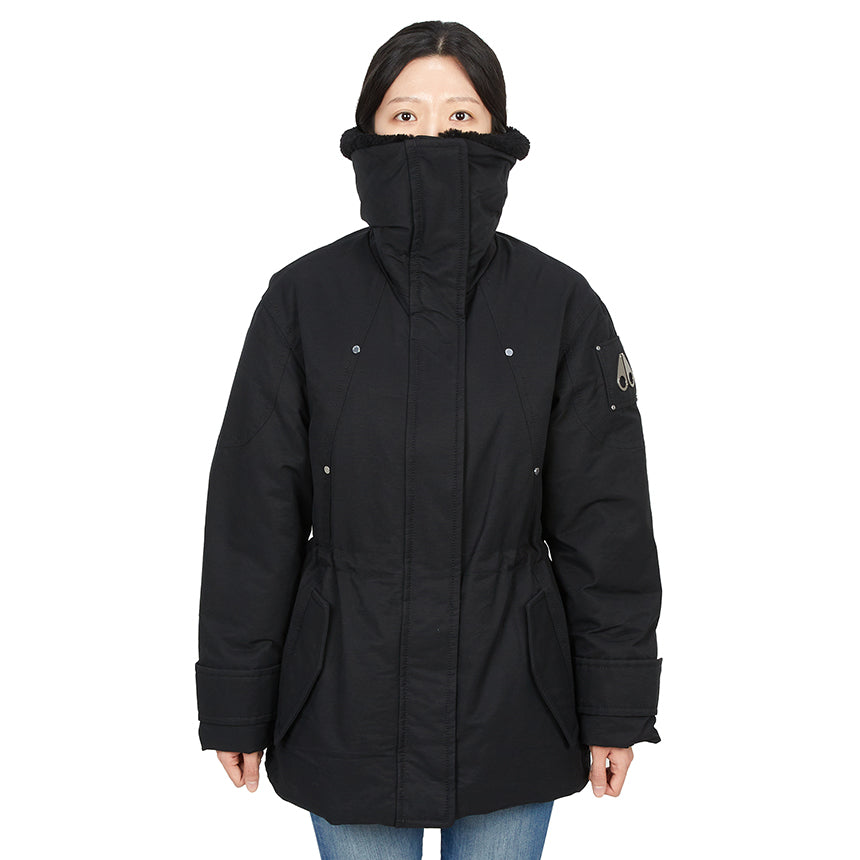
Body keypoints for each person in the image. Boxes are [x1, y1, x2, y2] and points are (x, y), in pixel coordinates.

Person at [195, 20, 663, 860]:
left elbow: (606, 523)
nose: (434, 137)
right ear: (369, 130)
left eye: (461, 117)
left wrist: (617, 703)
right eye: (406, 115)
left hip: (513, 702)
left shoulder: (559, 304)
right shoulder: (303, 300)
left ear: (497, 132)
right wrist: (236, 700)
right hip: (344, 700)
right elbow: (252, 518)